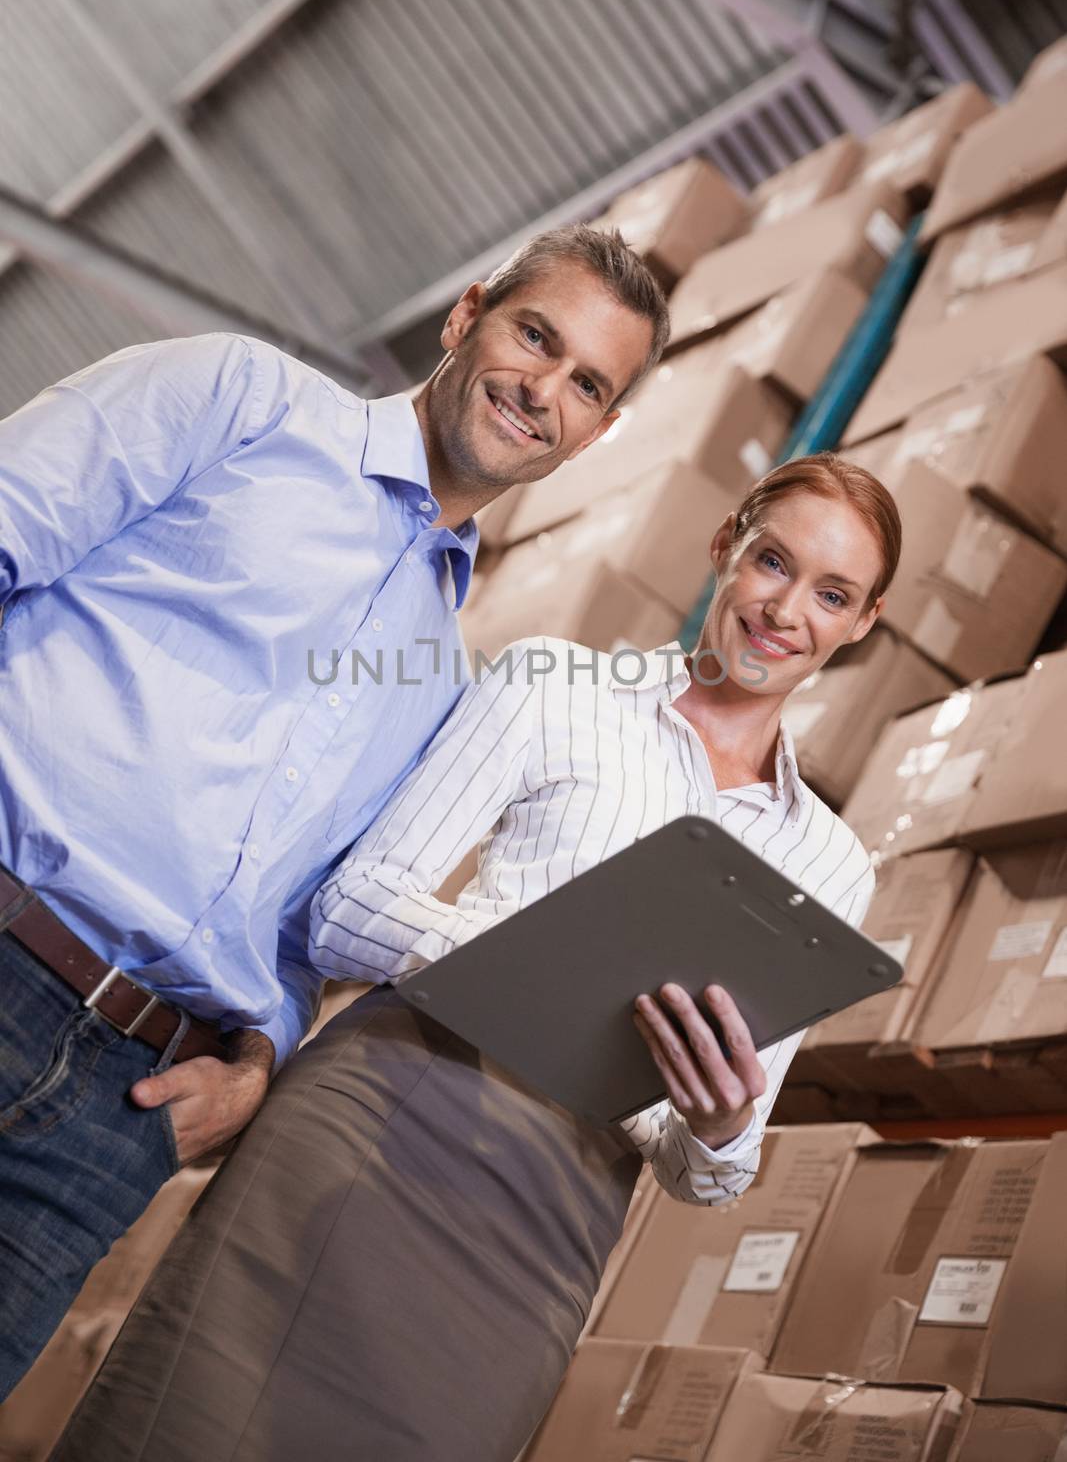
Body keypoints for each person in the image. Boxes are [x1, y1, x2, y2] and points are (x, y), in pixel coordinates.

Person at [56, 452, 901, 1462]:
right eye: (771, 560)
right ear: (725, 545)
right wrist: (550, 968)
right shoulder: (556, 687)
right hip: (388, 1117)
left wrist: (718, 1123)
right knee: (186, 1427)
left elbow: (707, 1173)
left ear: (862, 622)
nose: (784, 608)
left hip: (553, 1219)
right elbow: (349, 909)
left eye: (830, 593)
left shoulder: (829, 862)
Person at [0, 225, 669, 1399]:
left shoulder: (446, 679)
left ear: (596, 433)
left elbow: (309, 930)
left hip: (117, 1111)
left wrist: (261, 1055)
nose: (542, 391)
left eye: (585, 385)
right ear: (465, 315)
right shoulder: (243, 400)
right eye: (534, 336)